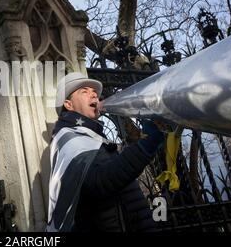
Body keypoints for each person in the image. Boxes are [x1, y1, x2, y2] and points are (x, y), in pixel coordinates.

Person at [47, 72, 165, 232]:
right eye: (85, 91)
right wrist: (145, 146)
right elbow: (99, 181)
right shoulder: (68, 138)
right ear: (68, 104)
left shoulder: (93, 136)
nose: (94, 95)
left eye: (95, 92)